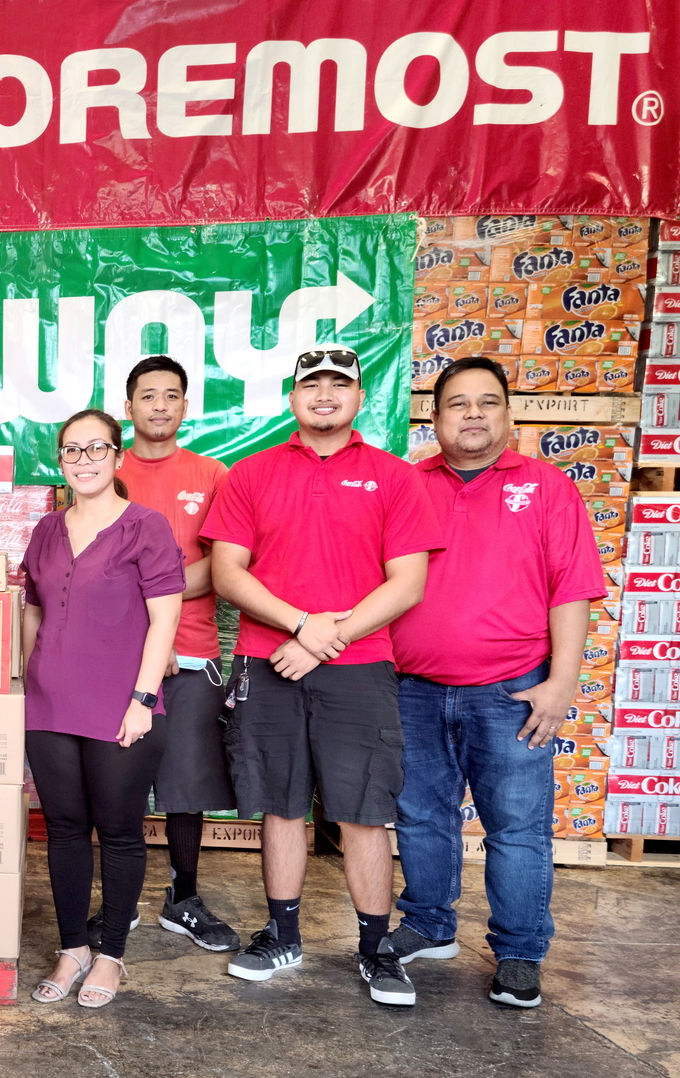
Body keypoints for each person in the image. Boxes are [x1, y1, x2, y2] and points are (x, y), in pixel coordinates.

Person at [202, 345, 441, 1006]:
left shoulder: (396, 477)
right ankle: (281, 934)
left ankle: (375, 948)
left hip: (359, 669)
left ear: (361, 398)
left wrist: (325, 636)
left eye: (341, 384)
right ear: (293, 398)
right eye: (313, 385)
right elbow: (228, 573)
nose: (326, 395)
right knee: (280, 804)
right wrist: (302, 623)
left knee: (364, 812)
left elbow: (409, 583)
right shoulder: (249, 475)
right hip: (267, 662)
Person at [387, 356, 603, 1008]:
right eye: (458, 403)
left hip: (512, 690)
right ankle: (428, 923)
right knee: (421, 817)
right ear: (436, 417)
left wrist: (561, 681)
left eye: (487, 402)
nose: (473, 414)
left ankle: (518, 951)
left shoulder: (546, 488)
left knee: (517, 827)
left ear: (508, 415)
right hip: (414, 688)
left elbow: (572, 590)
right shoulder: (407, 484)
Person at [21, 409, 185, 1009]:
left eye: (96, 449)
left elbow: (165, 616)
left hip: (123, 704)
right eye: (72, 450)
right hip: (49, 702)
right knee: (64, 831)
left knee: (117, 834)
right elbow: (32, 608)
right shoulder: (45, 530)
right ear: (60, 461)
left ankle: (110, 953)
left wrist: (143, 699)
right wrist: (23, 677)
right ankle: (73, 948)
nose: (84, 460)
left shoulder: (146, 527)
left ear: (118, 458)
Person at [106, 355, 241, 953]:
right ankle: (116, 900)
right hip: (112, 655)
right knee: (115, 782)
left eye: (171, 395)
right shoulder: (106, 472)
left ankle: (183, 898)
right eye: (147, 395)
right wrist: (142, 628)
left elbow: (224, 563)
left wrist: (159, 598)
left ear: (186, 407)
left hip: (191, 654)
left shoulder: (213, 474)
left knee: (187, 785)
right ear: (128, 406)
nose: (159, 405)